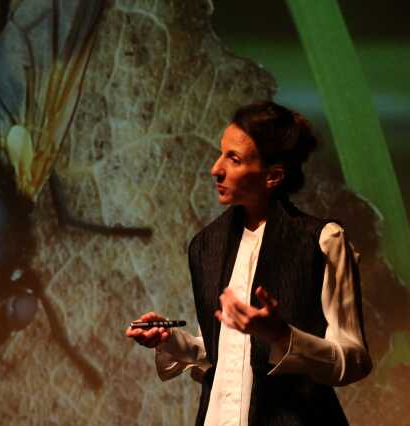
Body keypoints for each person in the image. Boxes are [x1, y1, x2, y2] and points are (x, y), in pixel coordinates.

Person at [126, 101, 372, 426]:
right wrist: (170, 341)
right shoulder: (206, 245)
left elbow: (353, 359)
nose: (216, 168)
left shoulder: (322, 241)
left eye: (234, 159)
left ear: (272, 176)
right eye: (221, 153)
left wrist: (282, 335)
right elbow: (226, 356)